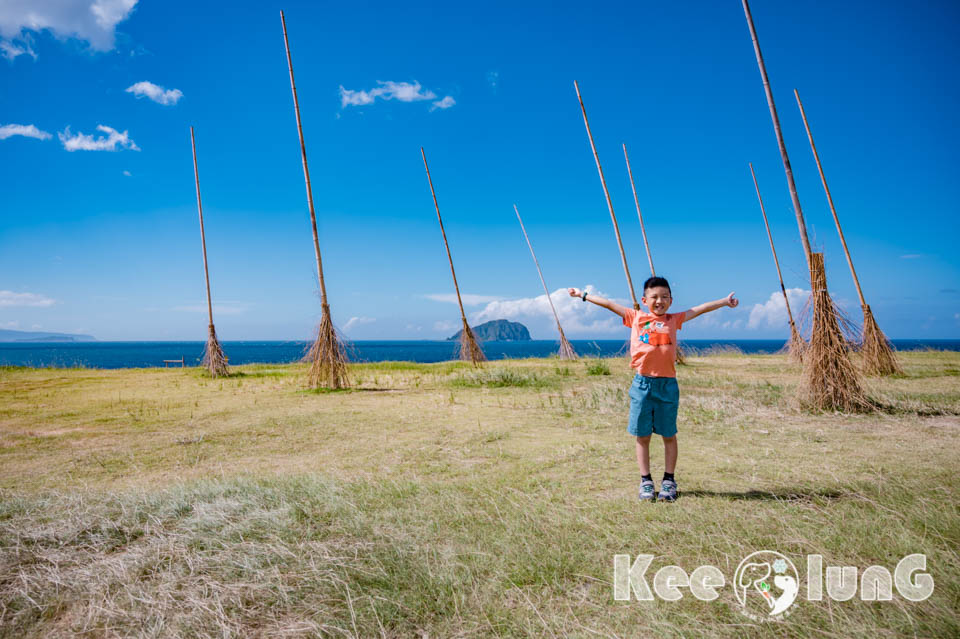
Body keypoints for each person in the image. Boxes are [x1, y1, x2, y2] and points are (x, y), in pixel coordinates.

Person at [568, 277, 738, 502]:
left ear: (671, 300)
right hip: (642, 384)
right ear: (644, 300)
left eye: (665, 297)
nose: (660, 301)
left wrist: (724, 302)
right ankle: (646, 481)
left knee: (669, 434)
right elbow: (609, 304)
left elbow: (700, 309)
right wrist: (583, 295)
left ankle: (669, 480)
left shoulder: (674, 319)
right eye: (655, 297)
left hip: (667, 385)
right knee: (642, 435)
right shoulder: (635, 317)